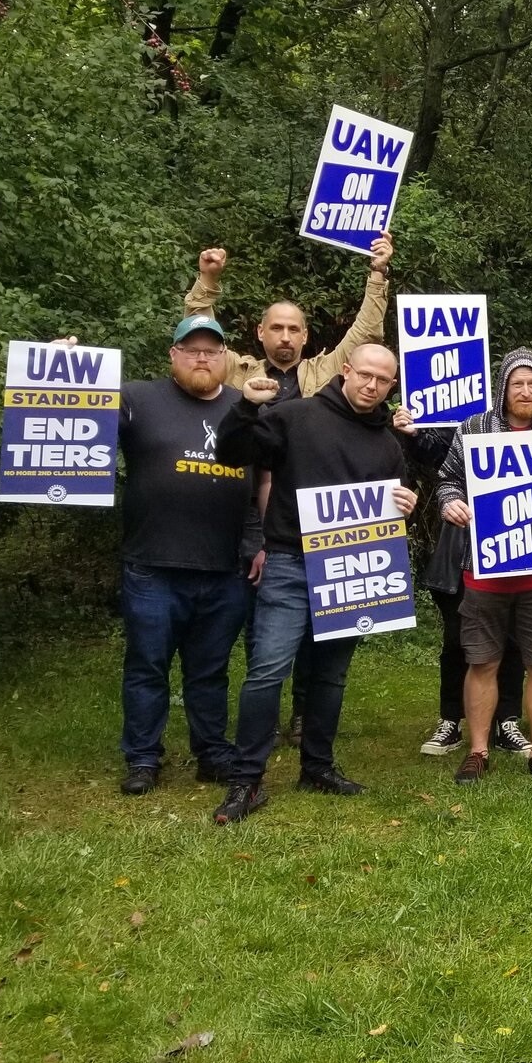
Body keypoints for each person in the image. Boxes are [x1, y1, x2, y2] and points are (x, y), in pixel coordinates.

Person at [212, 343, 417, 823]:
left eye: (382, 380)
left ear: (392, 386)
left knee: (330, 674)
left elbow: (390, 503)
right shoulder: (295, 416)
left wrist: (403, 503)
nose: (371, 385)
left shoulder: (388, 441)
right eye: (364, 375)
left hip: (353, 569)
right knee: (267, 669)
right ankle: (246, 780)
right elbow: (230, 452)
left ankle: (317, 767)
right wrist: (245, 406)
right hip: (289, 563)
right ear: (345, 371)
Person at [110, 317, 261, 795]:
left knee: (210, 668)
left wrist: (256, 542)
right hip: (153, 564)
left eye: (212, 351)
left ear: (226, 359)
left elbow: (262, 480)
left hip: (224, 568)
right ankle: (142, 758)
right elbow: (76, 419)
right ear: (172, 356)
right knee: (147, 666)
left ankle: (212, 753)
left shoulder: (245, 406)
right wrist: (64, 367)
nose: (202, 357)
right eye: (191, 349)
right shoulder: (138, 398)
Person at [433, 350, 532, 783]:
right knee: (482, 660)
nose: (525, 391)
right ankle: (478, 749)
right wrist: (450, 501)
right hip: (484, 569)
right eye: (516, 384)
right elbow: (448, 478)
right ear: (502, 388)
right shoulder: (473, 429)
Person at [399, 416, 528, 758]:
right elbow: (441, 468)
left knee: (512, 638)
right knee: (457, 640)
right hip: (461, 556)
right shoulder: (472, 428)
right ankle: (450, 721)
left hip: (519, 552)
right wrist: (415, 436)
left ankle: (507, 722)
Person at [185, 235, 395, 400]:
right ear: (260, 332)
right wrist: (208, 278)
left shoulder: (326, 370)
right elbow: (199, 332)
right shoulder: (237, 370)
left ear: (304, 336)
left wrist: (378, 270)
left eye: (293, 329)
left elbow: (366, 333)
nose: (285, 337)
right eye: (276, 328)